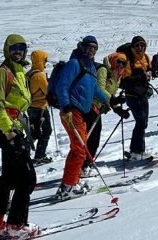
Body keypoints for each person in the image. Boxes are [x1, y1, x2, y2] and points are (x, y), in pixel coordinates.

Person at [0, 34, 39, 240]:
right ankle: (16, 226)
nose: (18, 51)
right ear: (7, 50)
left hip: (14, 128)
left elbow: (19, 102)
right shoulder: (2, 73)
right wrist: (10, 132)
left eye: (21, 48)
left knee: (7, 179)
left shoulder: (19, 72)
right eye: (13, 48)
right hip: (8, 131)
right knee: (27, 179)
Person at [52, 36, 110, 201]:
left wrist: (106, 102)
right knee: (79, 148)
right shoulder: (74, 64)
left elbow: (94, 90)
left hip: (79, 112)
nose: (91, 51)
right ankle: (68, 186)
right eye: (89, 47)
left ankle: (70, 183)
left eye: (94, 48)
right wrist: (66, 106)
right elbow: (61, 86)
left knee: (80, 147)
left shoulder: (90, 67)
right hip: (71, 111)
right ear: (82, 47)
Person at [81, 51, 130, 175]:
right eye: (118, 61)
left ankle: (86, 164)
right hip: (89, 107)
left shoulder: (116, 75)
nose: (120, 65)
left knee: (94, 138)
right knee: (91, 138)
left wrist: (118, 108)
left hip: (98, 108)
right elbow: (100, 89)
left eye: (123, 63)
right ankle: (83, 165)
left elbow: (110, 95)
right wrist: (113, 100)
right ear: (113, 60)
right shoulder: (104, 70)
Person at [121, 36, 154, 160]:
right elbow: (125, 80)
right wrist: (142, 76)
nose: (140, 48)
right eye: (137, 46)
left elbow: (149, 69)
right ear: (133, 47)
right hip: (132, 95)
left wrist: (154, 72)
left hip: (143, 94)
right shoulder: (128, 60)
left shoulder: (146, 58)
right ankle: (136, 151)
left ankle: (137, 150)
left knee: (143, 123)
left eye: (142, 45)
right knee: (140, 122)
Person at [27, 50, 53, 165]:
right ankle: (40, 156)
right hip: (40, 107)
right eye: (45, 59)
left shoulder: (29, 73)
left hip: (31, 106)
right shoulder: (39, 75)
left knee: (34, 132)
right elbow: (48, 91)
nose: (46, 62)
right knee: (46, 131)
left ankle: (23, 154)